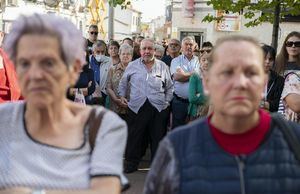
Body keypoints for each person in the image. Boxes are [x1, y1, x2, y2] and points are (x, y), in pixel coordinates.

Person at [144, 35, 300, 194]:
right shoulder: (176, 148)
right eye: (227, 73)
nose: (240, 83)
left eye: (250, 72)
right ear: (207, 82)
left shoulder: (293, 140)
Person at [0, 13, 127, 194]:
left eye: (48, 63)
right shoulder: (4, 119)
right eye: (24, 63)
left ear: (74, 69)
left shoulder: (101, 126)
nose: (35, 74)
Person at [118, 38, 173, 173]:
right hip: (137, 107)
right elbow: (123, 84)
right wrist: (122, 96)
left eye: (150, 48)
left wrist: (166, 102)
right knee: (135, 137)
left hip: (158, 108)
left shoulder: (162, 66)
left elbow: (170, 87)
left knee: (158, 138)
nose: (147, 51)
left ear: (154, 50)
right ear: (140, 50)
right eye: (144, 49)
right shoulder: (132, 65)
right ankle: (131, 164)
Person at [170, 36, 200, 129]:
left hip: (195, 104)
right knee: (177, 129)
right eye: (186, 44)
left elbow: (201, 78)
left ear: (194, 46)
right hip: (179, 102)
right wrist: (194, 73)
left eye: (191, 44)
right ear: (182, 47)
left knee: (193, 130)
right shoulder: (176, 60)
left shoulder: (199, 60)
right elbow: (177, 77)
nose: (188, 46)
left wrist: (185, 74)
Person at [276, 31, 300, 122]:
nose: (293, 46)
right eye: (290, 43)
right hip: (279, 109)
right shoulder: (277, 64)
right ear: (285, 46)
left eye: (297, 44)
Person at [106, 44, 133, 120]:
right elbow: (108, 87)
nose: (125, 56)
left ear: (132, 56)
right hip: (115, 106)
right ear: (119, 55)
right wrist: (116, 100)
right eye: (123, 54)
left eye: (128, 54)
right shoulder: (112, 69)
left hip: (131, 107)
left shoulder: (136, 70)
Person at [260, 44, 284, 112]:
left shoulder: (279, 80)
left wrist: (261, 104)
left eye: (270, 59)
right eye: (264, 58)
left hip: (270, 118)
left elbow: (278, 104)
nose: (267, 62)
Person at [187, 52, 209, 121]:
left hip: (212, 113)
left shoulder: (216, 77)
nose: (206, 62)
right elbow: (192, 98)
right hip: (197, 113)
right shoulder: (195, 76)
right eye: (203, 60)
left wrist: (200, 95)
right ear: (199, 61)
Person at [89, 40, 111, 105]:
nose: (100, 54)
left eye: (102, 52)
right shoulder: (87, 60)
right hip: (90, 93)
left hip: (103, 94)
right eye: (98, 52)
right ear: (93, 52)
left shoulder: (109, 61)